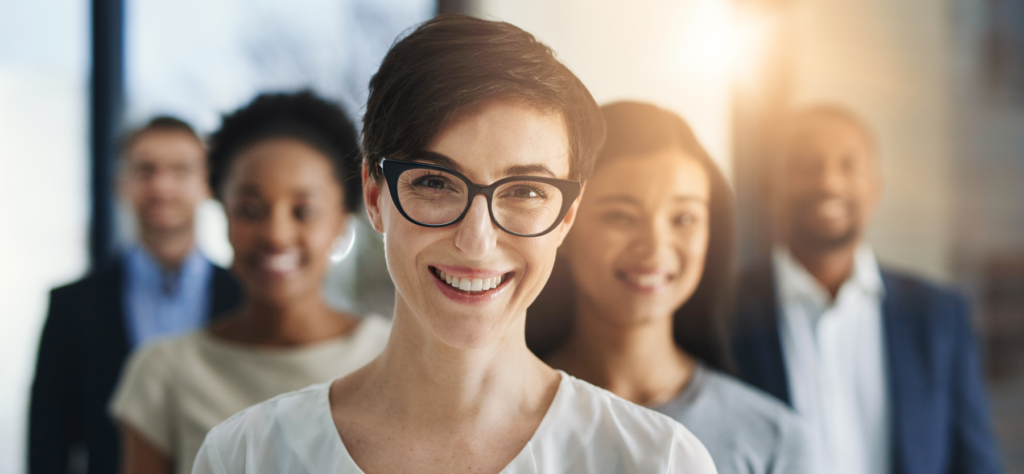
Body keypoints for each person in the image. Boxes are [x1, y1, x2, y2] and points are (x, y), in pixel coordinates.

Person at [193, 15, 717, 474]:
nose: (477, 240)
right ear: (375, 197)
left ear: (566, 218)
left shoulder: (658, 461)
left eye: (526, 191)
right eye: (435, 183)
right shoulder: (246, 456)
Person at [109, 91, 391, 474]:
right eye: (250, 210)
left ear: (342, 220)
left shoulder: (393, 359)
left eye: (303, 211)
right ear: (222, 212)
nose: (275, 234)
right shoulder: (164, 374)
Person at [528, 101, 809, 474]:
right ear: (564, 226)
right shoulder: (498, 415)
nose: (655, 247)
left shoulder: (771, 439)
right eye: (621, 216)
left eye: (684, 218)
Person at [731, 105, 1003, 474]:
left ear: (875, 187)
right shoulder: (723, 312)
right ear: (770, 186)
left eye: (850, 165)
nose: (829, 183)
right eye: (807, 166)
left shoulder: (938, 314)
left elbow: (976, 462)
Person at [28, 117, 241, 474]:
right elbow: (47, 448)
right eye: (146, 170)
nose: (161, 186)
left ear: (207, 184)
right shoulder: (72, 306)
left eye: (180, 170)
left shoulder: (247, 297)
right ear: (121, 185)